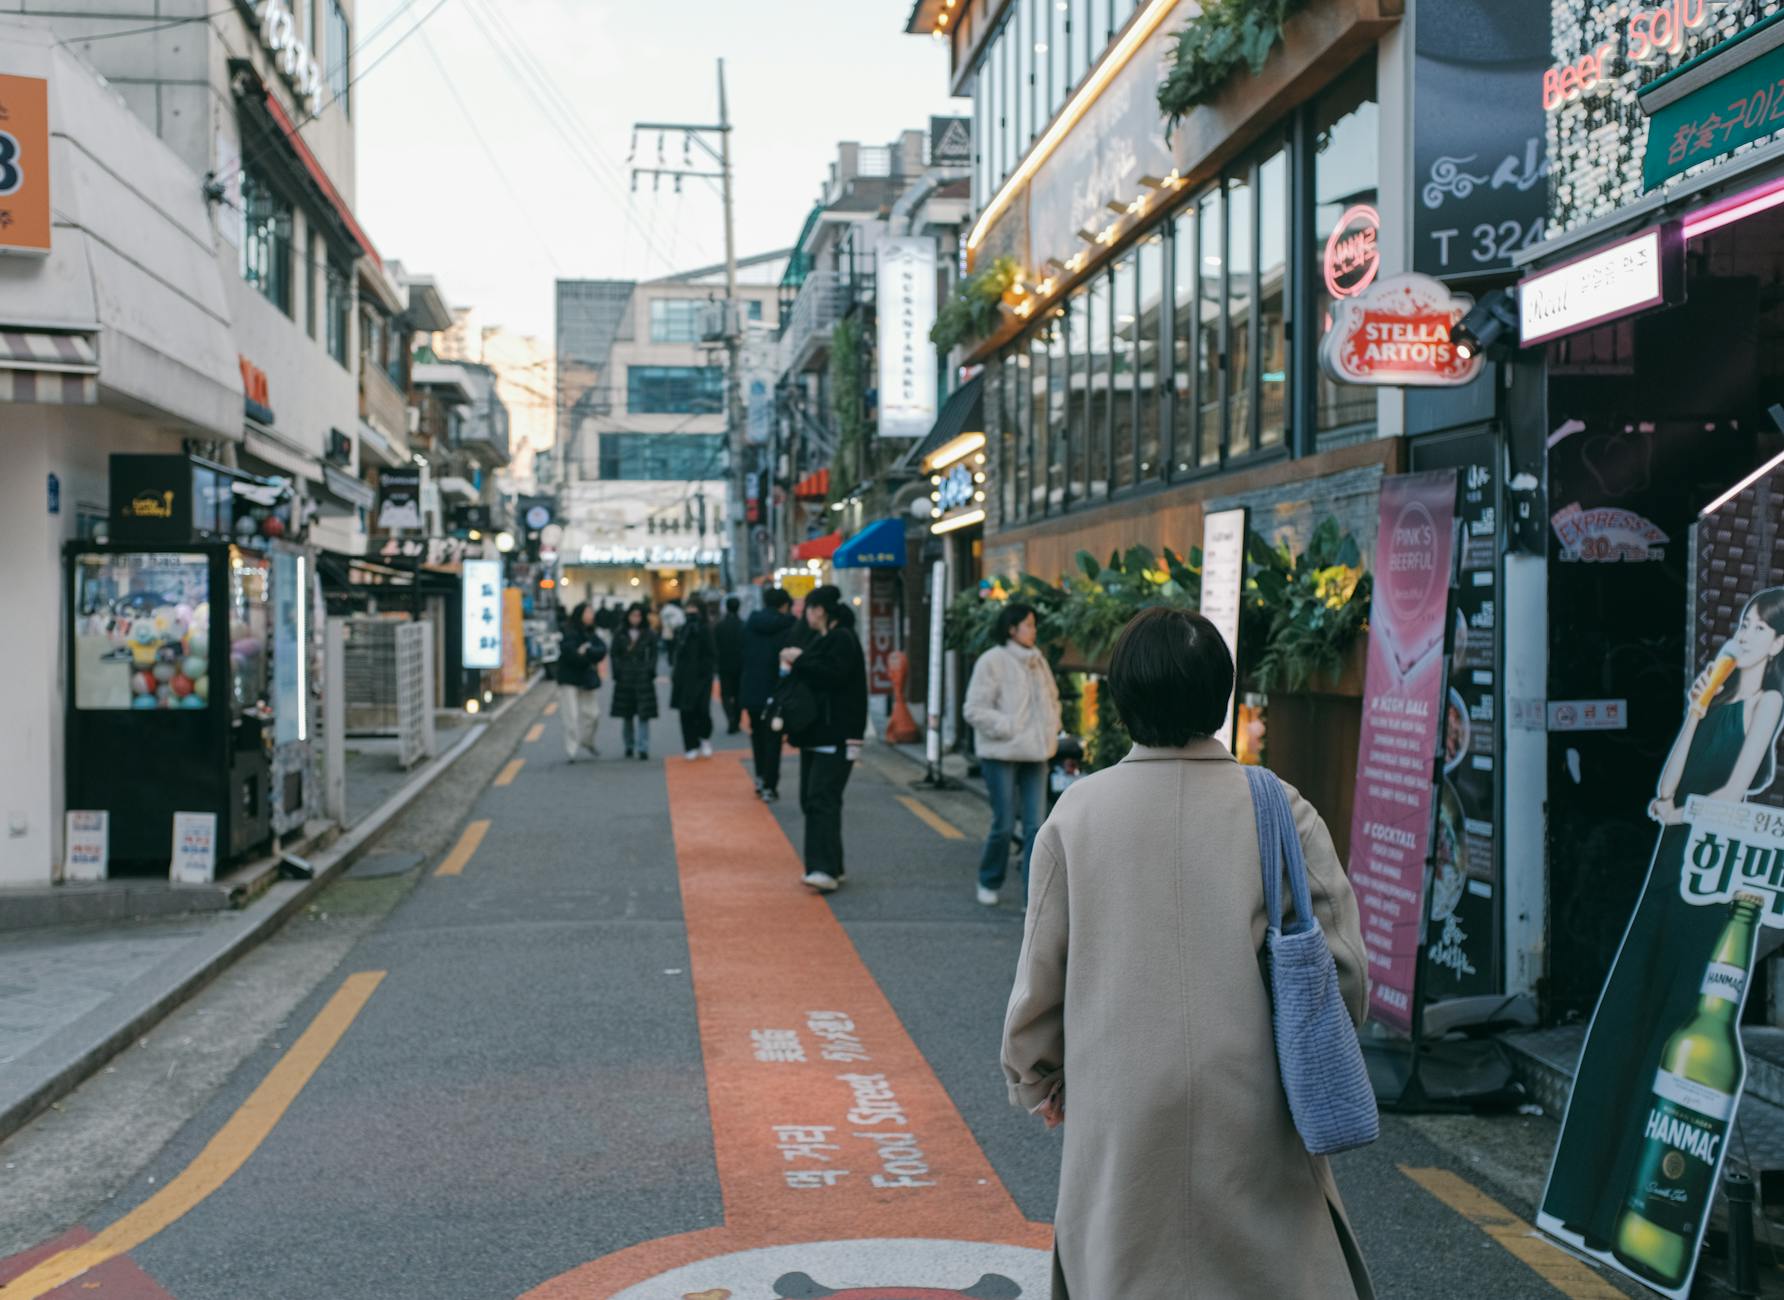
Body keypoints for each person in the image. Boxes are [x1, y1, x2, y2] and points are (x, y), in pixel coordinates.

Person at [1002, 606, 1371, 1299]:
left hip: (1120, 1113)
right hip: (1255, 1108)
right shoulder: (1280, 808)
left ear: (1123, 699)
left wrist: (1040, 1078)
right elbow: (1343, 974)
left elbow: (1038, 983)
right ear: (1219, 696)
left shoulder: (1076, 815)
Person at [1545, 587, 1784, 1249]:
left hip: (1710, 870)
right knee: (1628, 1016)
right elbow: (1667, 783)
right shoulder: (1718, 701)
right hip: (1668, 867)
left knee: (1678, 1018)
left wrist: (1685, 811)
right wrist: (1694, 710)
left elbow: (1735, 790)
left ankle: (1636, 1206)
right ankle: (1583, 1205)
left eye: (1759, 628)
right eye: (1744, 621)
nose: (1745, 633)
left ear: (1778, 644)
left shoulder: (1768, 704)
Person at [963, 601, 1061, 906]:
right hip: (1000, 752)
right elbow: (973, 709)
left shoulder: (1037, 660)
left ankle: (1032, 894)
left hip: (1037, 751)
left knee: (1036, 826)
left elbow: (1052, 699)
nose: (1033, 630)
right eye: (1028, 624)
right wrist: (1007, 727)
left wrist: (1053, 726)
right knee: (1003, 824)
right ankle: (989, 879)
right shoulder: (992, 661)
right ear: (1011, 628)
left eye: (1034, 625)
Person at [779, 585, 868, 893]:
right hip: (821, 734)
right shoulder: (830, 637)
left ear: (819, 610)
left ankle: (823, 869)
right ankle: (832, 865)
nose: (806, 617)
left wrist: (799, 659)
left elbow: (832, 675)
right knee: (817, 798)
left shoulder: (841, 638)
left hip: (836, 733)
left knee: (820, 799)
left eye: (808, 610)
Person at [739, 588, 809, 802]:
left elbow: (741, 655)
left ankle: (760, 777)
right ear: (785, 605)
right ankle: (770, 785)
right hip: (777, 690)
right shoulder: (790, 627)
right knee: (773, 738)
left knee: (757, 735)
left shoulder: (751, 624)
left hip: (752, 688)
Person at [556, 601, 607, 761]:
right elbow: (569, 652)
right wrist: (585, 655)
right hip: (568, 678)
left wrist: (586, 651)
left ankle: (587, 741)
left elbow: (602, 650)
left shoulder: (592, 633)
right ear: (580, 614)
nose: (591, 616)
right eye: (588, 612)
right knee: (570, 716)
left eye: (592, 613)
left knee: (593, 714)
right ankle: (571, 750)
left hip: (586, 679)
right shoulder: (568, 630)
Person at [610, 603, 659, 761]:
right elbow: (614, 654)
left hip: (642, 677)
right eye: (633, 615)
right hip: (625, 677)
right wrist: (617, 672)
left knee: (643, 715)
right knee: (627, 715)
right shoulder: (620, 633)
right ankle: (629, 745)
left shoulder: (648, 633)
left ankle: (643, 747)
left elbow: (654, 654)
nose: (635, 619)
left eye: (638, 615)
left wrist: (650, 670)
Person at [671, 601, 717, 760]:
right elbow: (677, 653)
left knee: (702, 710)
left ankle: (704, 738)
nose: (690, 613)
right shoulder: (683, 630)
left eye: (694, 610)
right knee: (686, 712)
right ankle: (690, 745)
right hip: (683, 678)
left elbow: (711, 654)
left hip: (701, 678)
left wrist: (705, 672)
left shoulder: (705, 630)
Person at [714, 596, 746, 735]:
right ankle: (737, 720)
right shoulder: (744, 625)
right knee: (739, 693)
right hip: (740, 664)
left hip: (724, 664)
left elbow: (715, 646)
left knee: (726, 694)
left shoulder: (719, 626)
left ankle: (730, 719)